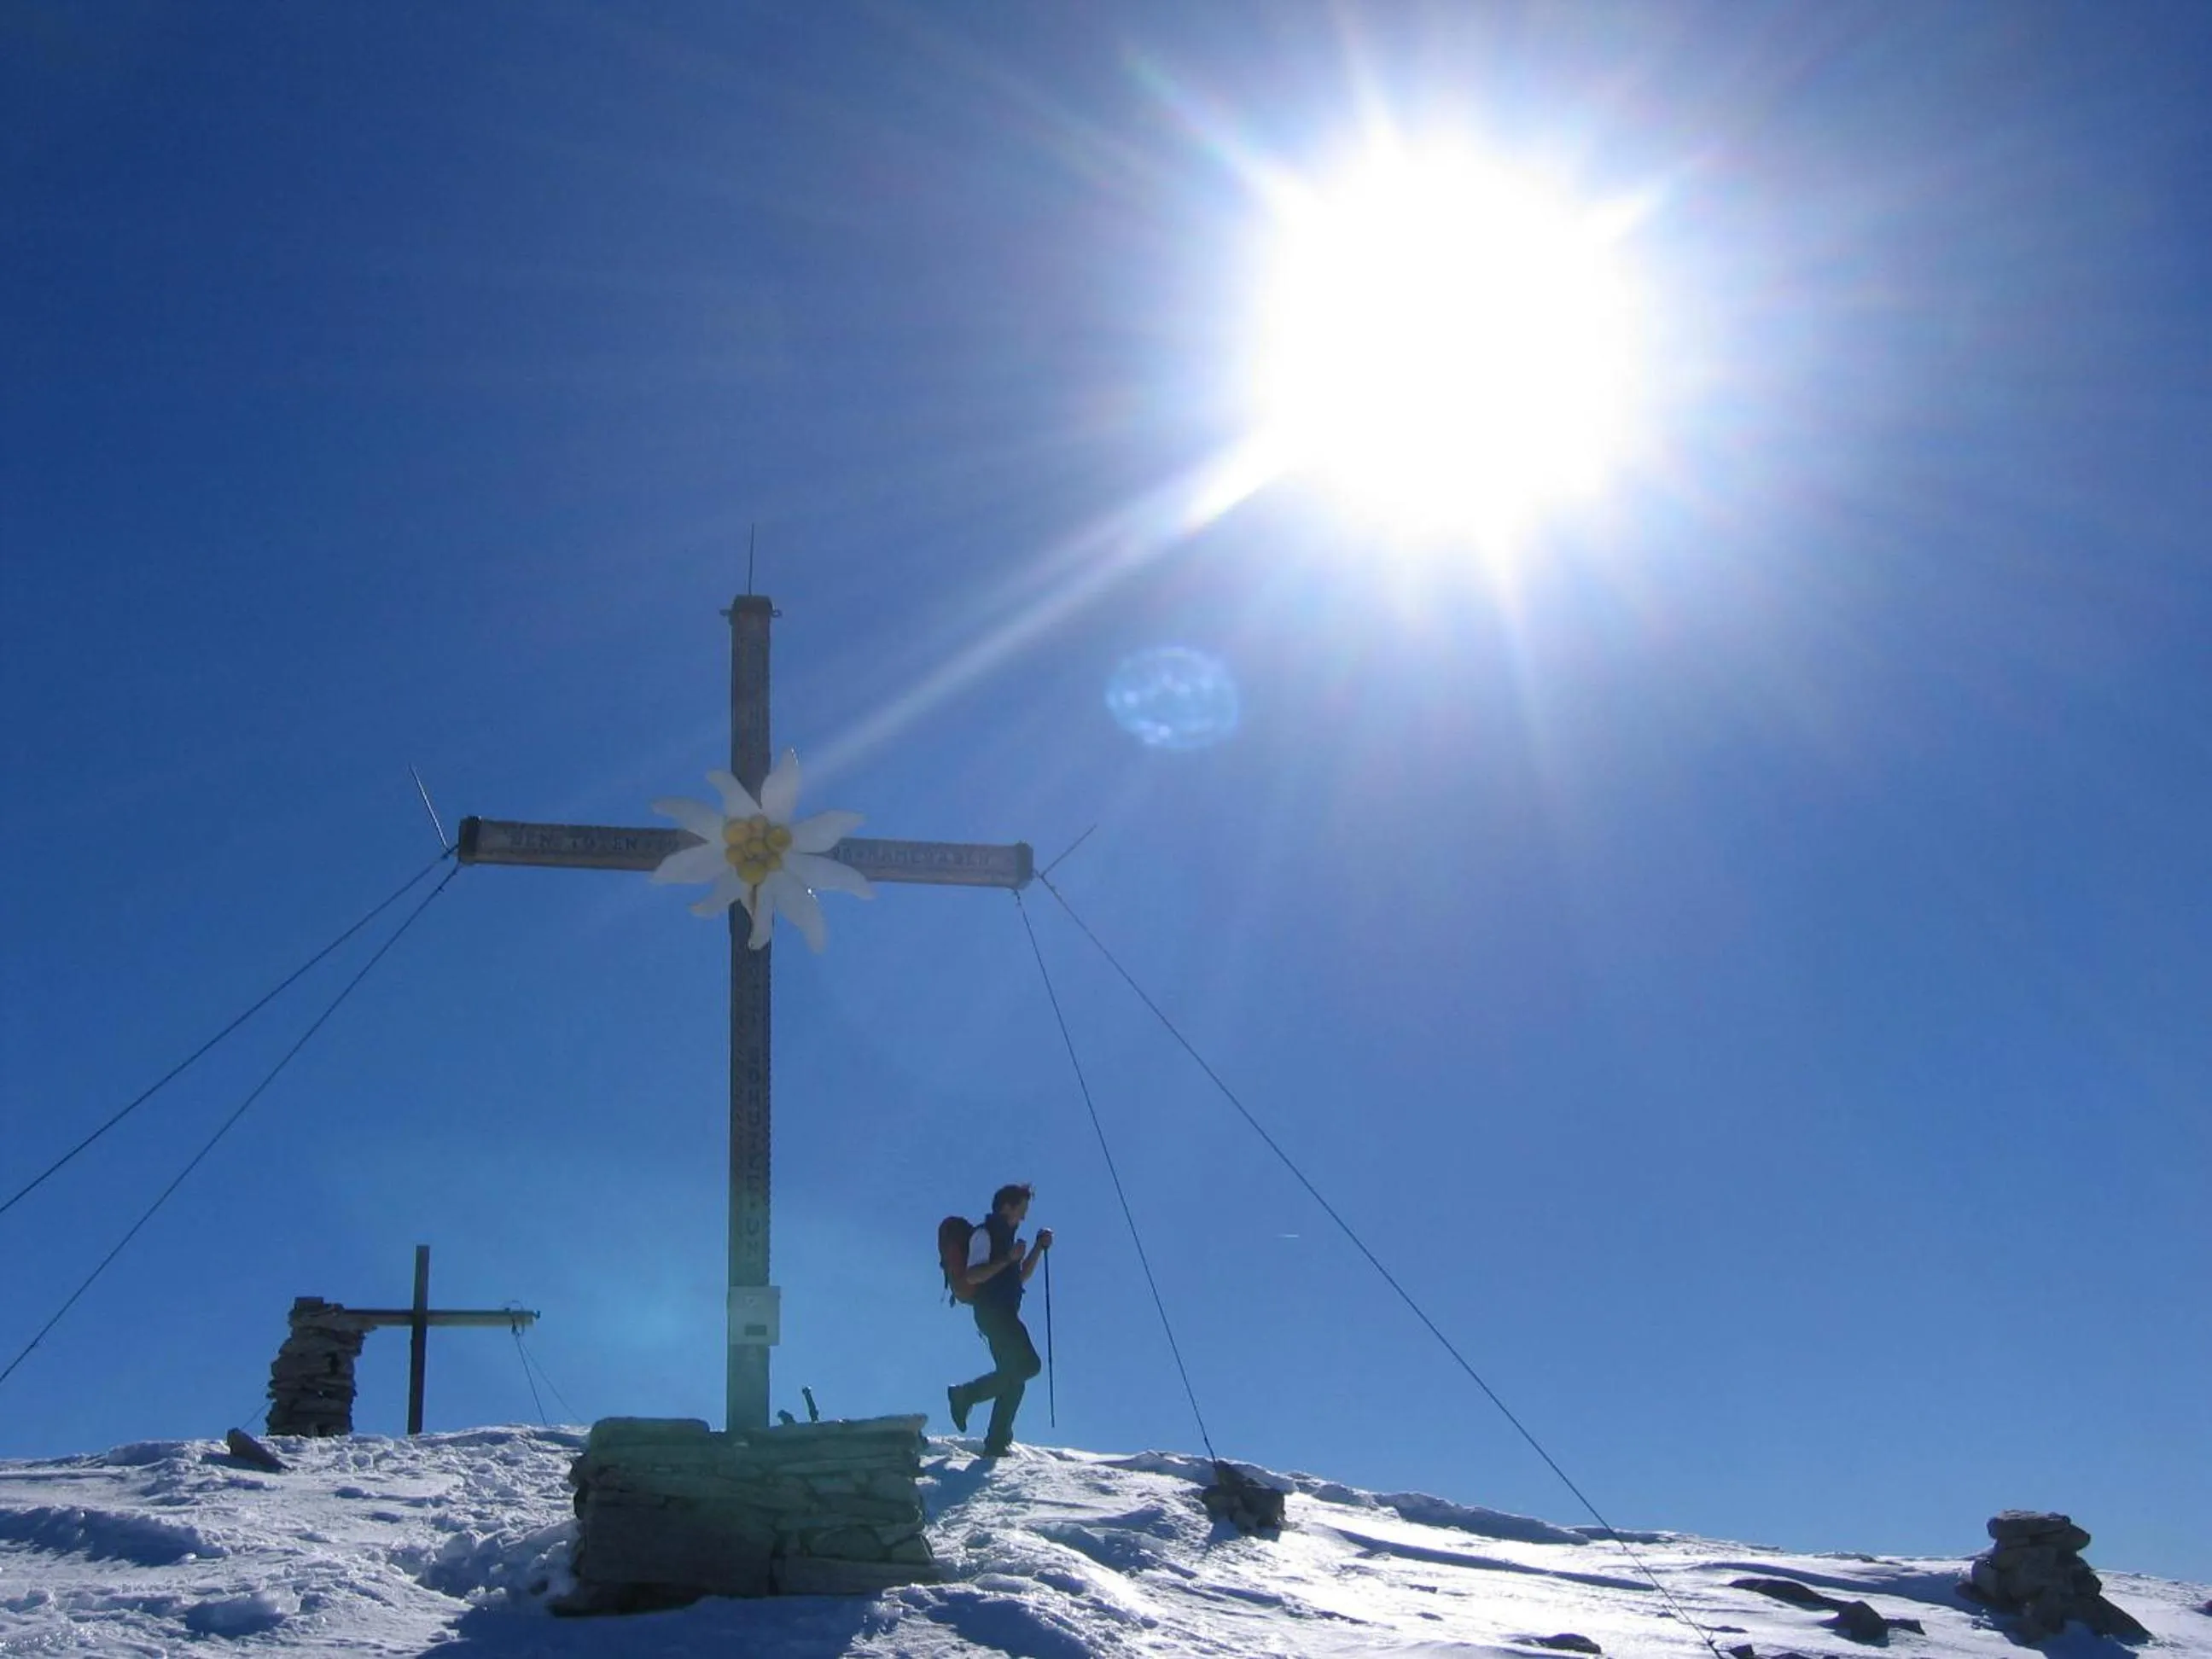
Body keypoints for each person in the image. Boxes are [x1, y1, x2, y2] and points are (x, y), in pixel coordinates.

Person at [946, 1182, 1051, 1457]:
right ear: (1006, 1207)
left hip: (1001, 1311)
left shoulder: (1005, 1238)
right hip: (994, 1312)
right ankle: (966, 1394)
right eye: (1022, 1210)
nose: (1024, 1217)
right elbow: (973, 1275)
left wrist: (1037, 1249)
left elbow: (1018, 1278)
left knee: (1013, 1376)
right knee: (1029, 1365)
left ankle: (996, 1442)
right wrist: (1008, 1258)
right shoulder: (985, 1234)